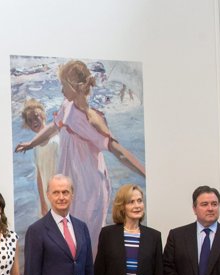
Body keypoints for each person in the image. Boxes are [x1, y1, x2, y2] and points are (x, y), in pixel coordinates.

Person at [16, 60, 146, 256]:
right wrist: (31, 143)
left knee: (87, 246)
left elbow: (118, 151)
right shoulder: (67, 106)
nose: (61, 90)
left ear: (75, 87)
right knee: (67, 242)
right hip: (72, 185)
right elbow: (53, 127)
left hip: (89, 190)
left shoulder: (91, 120)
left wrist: (145, 172)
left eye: (63, 85)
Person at [20, 99, 60, 217]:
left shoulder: (57, 135)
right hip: (48, 192)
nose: (34, 122)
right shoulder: (36, 147)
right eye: (30, 120)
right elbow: (39, 176)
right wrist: (43, 202)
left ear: (43, 115)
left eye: (36, 117)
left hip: (62, 187)